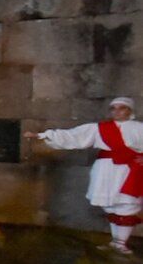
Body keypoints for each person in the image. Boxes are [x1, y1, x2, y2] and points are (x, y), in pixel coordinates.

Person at [28, 96, 143, 254]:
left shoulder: (139, 128)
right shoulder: (99, 128)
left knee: (126, 204)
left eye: (121, 108)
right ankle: (116, 241)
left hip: (128, 170)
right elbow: (74, 136)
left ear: (129, 110)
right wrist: (44, 135)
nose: (117, 111)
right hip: (105, 170)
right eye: (113, 108)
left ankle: (121, 242)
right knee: (110, 205)